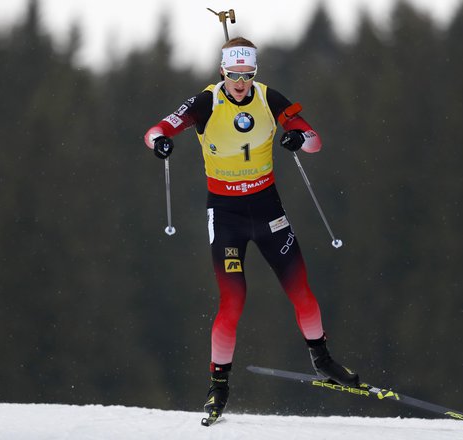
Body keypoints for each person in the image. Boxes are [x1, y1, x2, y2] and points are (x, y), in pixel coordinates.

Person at [144, 36, 359, 419]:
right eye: (233, 74)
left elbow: (314, 140)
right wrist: (160, 143)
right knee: (233, 302)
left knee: (300, 289)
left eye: (247, 74)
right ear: (222, 72)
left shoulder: (267, 98)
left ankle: (322, 360)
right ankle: (218, 387)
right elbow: (157, 130)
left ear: (254, 73)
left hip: (267, 208)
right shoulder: (207, 101)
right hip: (225, 215)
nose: (240, 83)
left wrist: (296, 136)